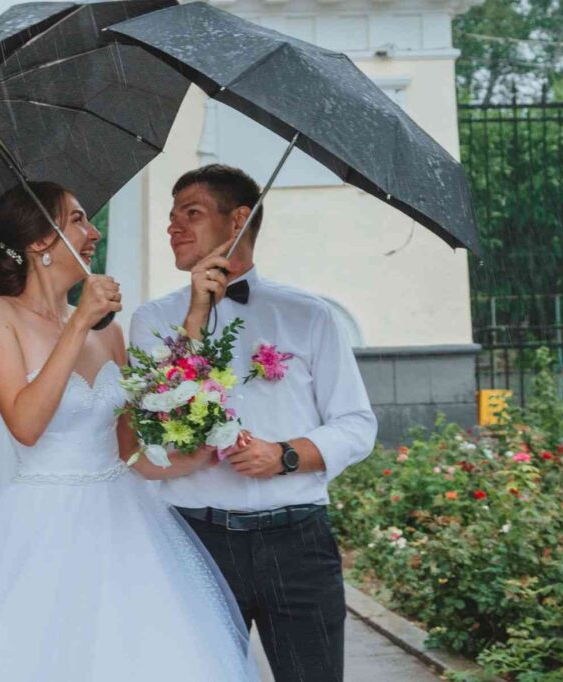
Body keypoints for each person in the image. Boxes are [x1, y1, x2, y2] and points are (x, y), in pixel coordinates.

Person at [0, 181, 258, 681]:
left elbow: (132, 449)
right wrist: (77, 323)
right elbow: (25, 424)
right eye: (78, 219)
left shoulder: (109, 331)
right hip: (40, 527)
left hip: (127, 525)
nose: (94, 232)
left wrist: (200, 453)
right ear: (40, 242)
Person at [130, 164, 378, 682]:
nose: (172, 226)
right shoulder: (152, 321)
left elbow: (356, 424)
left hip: (298, 542)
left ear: (239, 220)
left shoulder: (309, 316)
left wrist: (285, 455)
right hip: (194, 540)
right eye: (171, 215)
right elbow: (150, 433)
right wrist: (195, 316)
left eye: (190, 213)